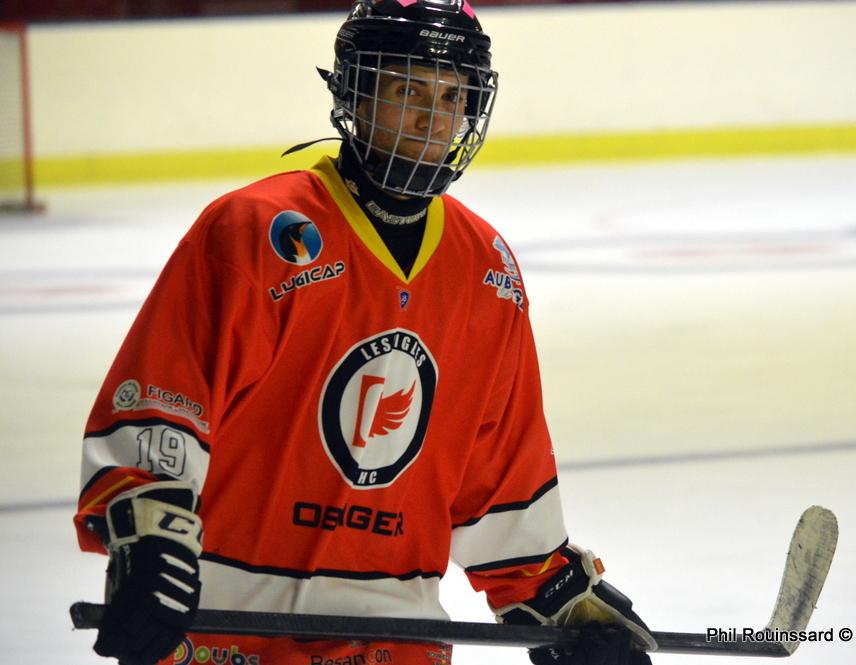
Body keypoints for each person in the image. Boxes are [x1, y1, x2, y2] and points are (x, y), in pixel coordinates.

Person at [73, 1, 657, 664]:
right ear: (354, 91)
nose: (434, 117)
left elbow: (499, 469)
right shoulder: (256, 229)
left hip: (396, 635)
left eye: (453, 95)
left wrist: (554, 593)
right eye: (408, 89)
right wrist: (150, 536)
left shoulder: (485, 267)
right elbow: (163, 399)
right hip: (229, 625)